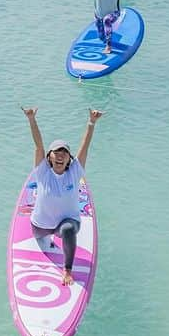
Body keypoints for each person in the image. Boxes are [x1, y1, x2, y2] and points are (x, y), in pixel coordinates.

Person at [20, 106, 104, 285]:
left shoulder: (74, 172)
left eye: (64, 153)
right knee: (42, 237)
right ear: (49, 158)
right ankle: (47, 240)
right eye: (56, 153)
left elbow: (85, 147)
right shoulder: (42, 171)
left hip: (67, 222)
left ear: (69, 159)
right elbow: (38, 145)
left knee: (67, 229)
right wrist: (31, 119)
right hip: (41, 226)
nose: (60, 156)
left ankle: (67, 270)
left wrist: (91, 123)